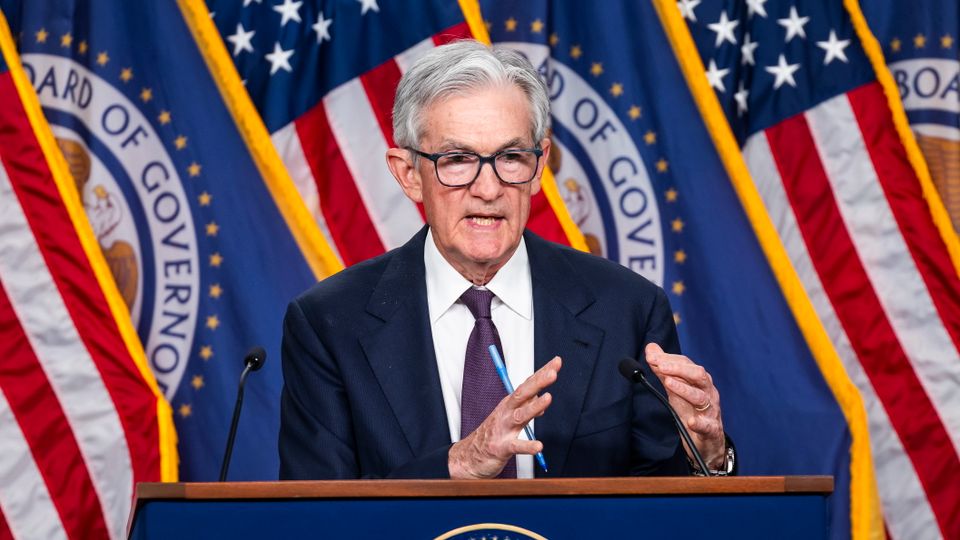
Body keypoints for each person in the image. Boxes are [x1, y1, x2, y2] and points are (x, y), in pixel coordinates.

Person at [279, 40, 733, 480]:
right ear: (409, 174)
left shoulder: (629, 309)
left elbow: (664, 502)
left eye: (511, 157)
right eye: (457, 159)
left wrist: (707, 458)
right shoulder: (329, 324)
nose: (488, 188)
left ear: (539, 166)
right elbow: (315, 513)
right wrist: (457, 465)